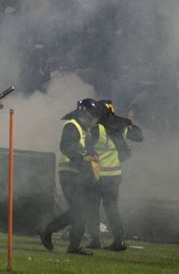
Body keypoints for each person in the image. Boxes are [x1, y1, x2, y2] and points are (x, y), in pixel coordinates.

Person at [38, 98, 103, 255]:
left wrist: (92, 156)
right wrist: (83, 158)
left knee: (79, 210)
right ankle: (60, 238)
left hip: (78, 174)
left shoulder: (82, 129)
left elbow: (85, 149)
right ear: (84, 114)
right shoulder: (71, 126)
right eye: (92, 117)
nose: (93, 121)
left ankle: (52, 233)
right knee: (80, 210)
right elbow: (65, 147)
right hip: (69, 174)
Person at [86, 99, 143, 251]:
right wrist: (129, 123)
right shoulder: (120, 127)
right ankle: (119, 240)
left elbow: (86, 147)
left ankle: (95, 240)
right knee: (112, 209)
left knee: (93, 208)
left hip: (97, 176)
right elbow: (139, 136)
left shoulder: (96, 129)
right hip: (115, 175)